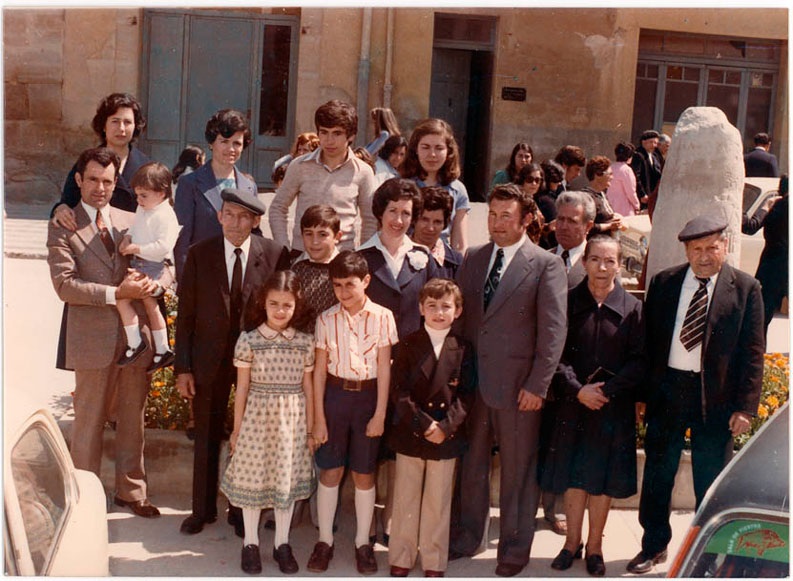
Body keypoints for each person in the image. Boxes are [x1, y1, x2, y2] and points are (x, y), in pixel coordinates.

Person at [628, 215, 765, 575]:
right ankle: (653, 546)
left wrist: (745, 408)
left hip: (716, 399)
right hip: (668, 391)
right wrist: (643, 395)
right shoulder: (665, 282)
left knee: (711, 480)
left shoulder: (747, 288)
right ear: (686, 250)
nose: (704, 256)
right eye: (696, 249)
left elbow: (753, 354)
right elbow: (650, 345)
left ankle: (711, 555)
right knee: (659, 474)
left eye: (711, 247)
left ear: (725, 246)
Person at [449, 184, 567, 577]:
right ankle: (468, 537)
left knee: (518, 471)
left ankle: (515, 549)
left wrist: (537, 385)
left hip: (519, 389)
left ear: (526, 220)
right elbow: (464, 323)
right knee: (472, 465)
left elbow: (553, 333)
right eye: (492, 215)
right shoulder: (474, 258)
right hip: (474, 386)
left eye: (506, 217)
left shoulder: (546, 264)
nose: (496, 224)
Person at [47, 147, 160, 518]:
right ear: (78, 180)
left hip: (134, 337)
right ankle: (84, 497)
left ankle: (131, 491)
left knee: (133, 416)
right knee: (89, 421)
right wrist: (117, 294)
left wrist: (155, 284)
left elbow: (162, 263)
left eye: (108, 181)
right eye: (93, 179)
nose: (100, 187)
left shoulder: (134, 219)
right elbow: (65, 285)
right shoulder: (63, 224)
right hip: (91, 338)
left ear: (117, 184)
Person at [175, 188, 291, 537]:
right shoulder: (200, 254)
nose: (236, 223)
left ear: (256, 221)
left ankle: (243, 511)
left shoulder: (273, 253)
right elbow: (186, 315)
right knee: (207, 434)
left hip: (255, 364)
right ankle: (202, 509)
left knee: (249, 437)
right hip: (209, 360)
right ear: (220, 216)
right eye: (229, 214)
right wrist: (183, 367)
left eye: (245, 217)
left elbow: (282, 309)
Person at [543, 235, 645, 577]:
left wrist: (607, 391)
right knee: (574, 476)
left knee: (602, 479)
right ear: (584, 262)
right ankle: (571, 543)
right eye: (596, 259)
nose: (602, 267)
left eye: (610, 260)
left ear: (620, 265)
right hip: (574, 405)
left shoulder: (632, 308)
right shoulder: (567, 303)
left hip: (611, 407)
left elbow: (639, 360)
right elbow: (553, 355)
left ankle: (596, 546)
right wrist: (577, 390)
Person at [308, 251, 399, 575]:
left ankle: (363, 542)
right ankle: (324, 540)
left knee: (364, 473)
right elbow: (319, 372)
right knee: (330, 472)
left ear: (366, 282)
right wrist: (318, 418)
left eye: (350, 284)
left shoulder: (383, 317)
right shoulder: (326, 319)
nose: (344, 292)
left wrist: (379, 413)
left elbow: (385, 371)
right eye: (337, 285)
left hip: (368, 397)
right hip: (335, 396)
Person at [219, 271, 316, 575]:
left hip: (292, 421)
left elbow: (309, 388)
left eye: (287, 305)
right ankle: (250, 543)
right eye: (274, 304)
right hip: (257, 421)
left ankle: (282, 544)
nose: (280, 311)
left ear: (296, 307)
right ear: (263, 303)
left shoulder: (304, 342)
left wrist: (312, 427)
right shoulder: (249, 340)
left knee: (284, 482)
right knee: (254, 479)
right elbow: (243, 388)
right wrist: (237, 430)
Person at [388, 279, 476, 578]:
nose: (439, 312)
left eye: (446, 307)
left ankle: (433, 559)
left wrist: (446, 427)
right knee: (406, 497)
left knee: (438, 501)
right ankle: (401, 554)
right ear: (421, 308)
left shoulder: (464, 348)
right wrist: (425, 425)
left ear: (458, 311)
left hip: (446, 434)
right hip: (412, 431)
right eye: (432, 306)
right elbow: (398, 392)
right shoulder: (408, 344)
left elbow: (466, 396)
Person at [269, 100, 377, 252]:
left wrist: (364, 255)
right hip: (303, 256)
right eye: (324, 132)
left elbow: (370, 219)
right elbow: (278, 208)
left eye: (337, 133)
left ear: (351, 136)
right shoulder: (299, 166)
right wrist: (285, 249)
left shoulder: (363, 172)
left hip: (342, 260)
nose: (329, 140)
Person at [173, 109, 257, 281]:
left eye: (237, 143)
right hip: (202, 276)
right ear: (211, 143)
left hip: (238, 277)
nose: (231, 149)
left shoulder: (249, 186)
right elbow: (182, 242)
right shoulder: (190, 183)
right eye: (224, 141)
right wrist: (185, 284)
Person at [115, 162, 180, 372]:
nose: (138, 200)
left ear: (161, 193)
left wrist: (136, 248)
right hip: (139, 263)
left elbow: (163, 247)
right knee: (137, 302)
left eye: (143, 195)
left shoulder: (166, 215)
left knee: (138, 302)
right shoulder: (144, 208)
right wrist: (127, 237)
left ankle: (147, 346)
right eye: (137, 195)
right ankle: (156, 347)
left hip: (152, 266)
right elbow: (135, 226)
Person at [51, 93, 150, 230]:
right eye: (115, 121)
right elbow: (67, 201)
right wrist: (60, 209)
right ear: (104, 125)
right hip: (94, 240)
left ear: (135, 126)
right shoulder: (87, 161)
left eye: (127, 122)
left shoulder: (147, 167)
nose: (121, 128)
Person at [359, 178, 439, 341]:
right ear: (381, 212)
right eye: (393, 211)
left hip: (411, 356)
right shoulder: (360, 257)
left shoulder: (424, 257)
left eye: (406, 213)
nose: (398, 220)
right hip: (370, 352)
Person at [402, 118, 470, 254]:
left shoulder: (458, 190)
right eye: (425, 147)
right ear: (415, 149)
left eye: (439, 148)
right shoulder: (402, 185)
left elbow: (459, 243)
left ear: (448, 152)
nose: (432, 154)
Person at [290, 204, 342, 333]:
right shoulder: (295, 269)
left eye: (322, 234)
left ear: (337, 237)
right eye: (309, 234)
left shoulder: (345, 269)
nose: (315, 241)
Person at [755, 175, 788, 335]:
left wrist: (764, 208)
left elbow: (750, 226)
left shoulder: (777, 206)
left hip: (772, 267)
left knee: (762, 316)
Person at [413, 186, 463, 279]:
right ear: (414, 219)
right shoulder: (398, 253)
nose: (430, 228)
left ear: (445, 223)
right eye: (425, 220)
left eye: (437, 222)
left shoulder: (455, 263)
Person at [551, 192, 596, 288]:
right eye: (561, 219)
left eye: (572, 221)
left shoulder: (599, 266)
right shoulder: (540, 260)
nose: (563, 227)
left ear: (588, 226)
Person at [582, 156, 622, 235]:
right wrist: (609, 226)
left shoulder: (601, 194)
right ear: (598, 175)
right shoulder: (587, 197)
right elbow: (585, 226)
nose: (612, 177)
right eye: (610, 174)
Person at [607, 141, 640, 217]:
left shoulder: (611, 167)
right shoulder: (626, 170)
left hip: (610, 204)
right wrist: (636, 205)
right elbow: (631, 192)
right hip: (624, 207)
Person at [631, 130, 662, 209]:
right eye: (651, 142)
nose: (654, 145)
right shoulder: (638, 155)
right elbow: (636, 176)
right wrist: (642, 194)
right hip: (643, 196)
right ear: (644, 142)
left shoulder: (655, 156)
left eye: (656, 143)